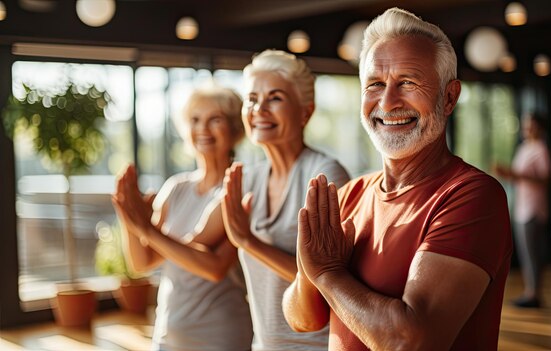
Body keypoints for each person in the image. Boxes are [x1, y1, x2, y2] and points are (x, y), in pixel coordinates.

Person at [283, 7, 513, 351]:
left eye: (407, 82)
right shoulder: (350, 196)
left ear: (449, 97)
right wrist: (309, 269)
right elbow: (302, 319)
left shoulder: (473, 195)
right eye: (375, 84)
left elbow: (411, 342)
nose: (388, 103)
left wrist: (328, 273)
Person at [220, 49, 351, 351]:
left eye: (275, 98)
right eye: (252, 99)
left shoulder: (323, 174)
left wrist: (248, 241)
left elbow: (330, 277)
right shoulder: (249, 178)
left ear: (306, 111)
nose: (259, 109)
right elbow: (198, 241)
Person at [111, 86, 253, 351]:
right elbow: (143, 262)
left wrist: (146, 228)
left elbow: (213, 268)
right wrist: (127, 215)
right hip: (169, 332)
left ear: (235, 129)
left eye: (215, 119)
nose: (203, 129)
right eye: (195, 120)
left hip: (221, 335)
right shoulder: (175, 187)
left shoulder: (239, 189)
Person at [494, 113, 551, 308]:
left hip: (534, 209)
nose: (527, 128)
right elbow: (519, 177)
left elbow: (545, 179)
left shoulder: (540, 149)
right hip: (521, 207)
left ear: (539, 128)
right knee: (526, 253)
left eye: (531, 125)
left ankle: (534, 293)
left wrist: (515, 174)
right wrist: (508, 174)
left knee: (533, 253)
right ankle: (530, 291)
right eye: (526, 124)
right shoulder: (524, 148)